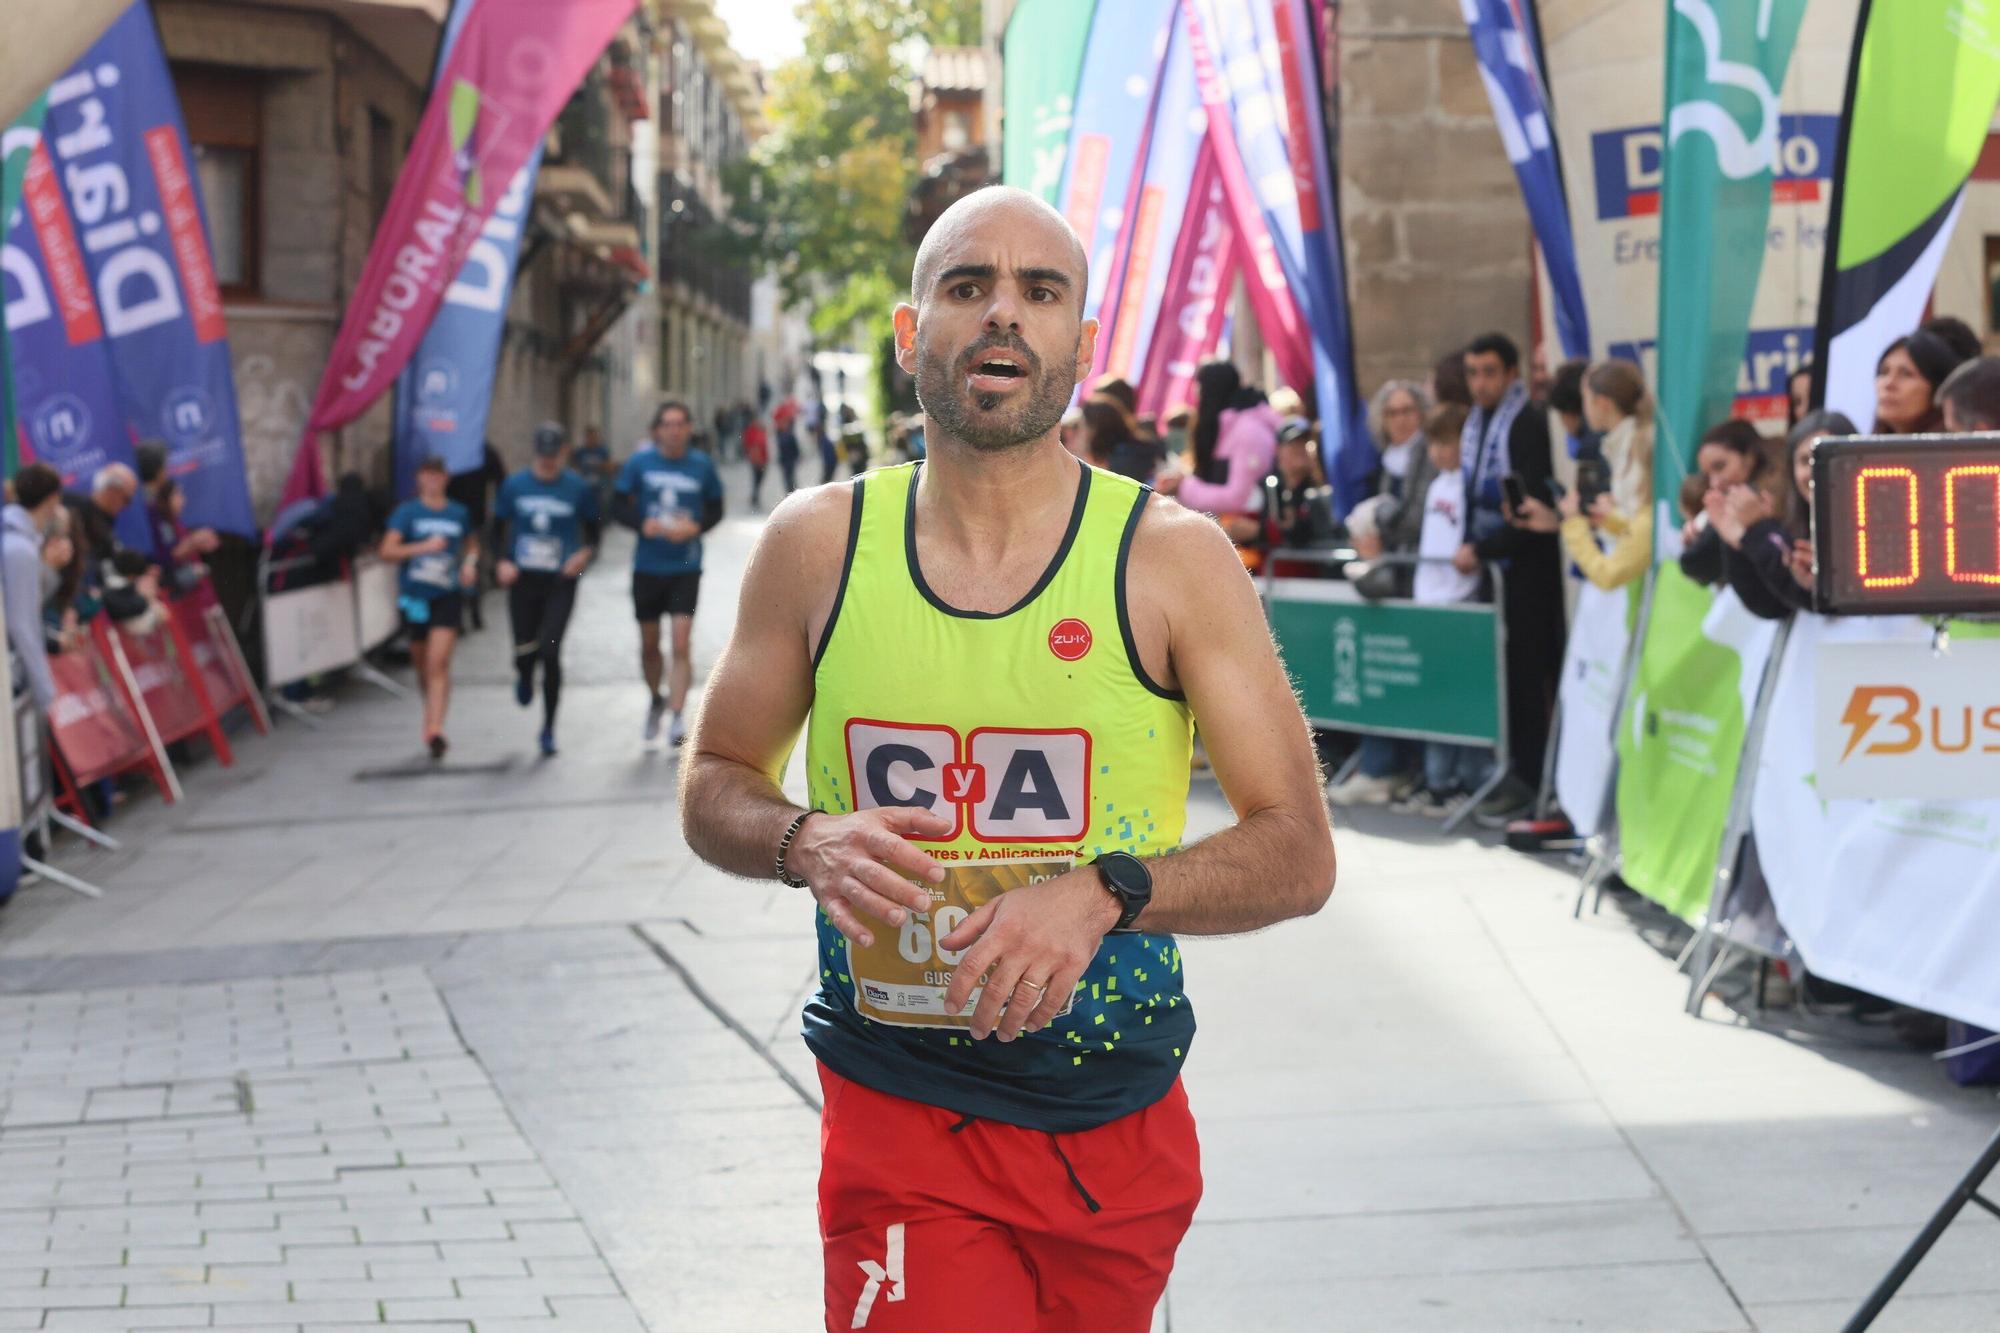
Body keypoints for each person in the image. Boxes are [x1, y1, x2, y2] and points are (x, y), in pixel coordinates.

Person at [678, 185, 1336, 1333]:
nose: (1002, 315)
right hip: (898, 1106)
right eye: (966, 284)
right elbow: (713, 780)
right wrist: (799, 837)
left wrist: (1101, 895)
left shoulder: (1170, 560)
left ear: (1079, 347)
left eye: (1039, 292)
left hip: (1110, 1116)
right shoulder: (817, 544)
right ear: (907, 331)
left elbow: (1296, 852)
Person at [1458, 332, 1563, 823]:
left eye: (1489, 373)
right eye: (1473, 373)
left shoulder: (1526, 421)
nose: (1480, 383)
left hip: (1528, 574)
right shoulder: (1475, 423)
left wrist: (1481, 548)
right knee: (1507, 680)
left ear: (1511, 374)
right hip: (1493, 570)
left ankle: (1535, 779)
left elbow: (1527, 509)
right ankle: (1516, 773)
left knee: (1529, 681)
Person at [1392, 404, 1496, 817]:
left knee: (1457, 697)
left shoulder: (1467, 487)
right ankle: (1438, 779)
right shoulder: (1437, 487)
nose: (1438, 452)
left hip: (1458, 600)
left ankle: (1454, 780)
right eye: (1433, 443)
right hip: (1430, 599)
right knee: (1436, 696)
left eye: (1446, 443)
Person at [615, 399, 724, 747]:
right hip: (647, 566)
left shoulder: (701, 466)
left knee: (680, 642)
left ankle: (677, 717)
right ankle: (655, 698)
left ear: (689, 428)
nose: (675, 430)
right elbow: (616, 505)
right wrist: (640, 524)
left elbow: (716, 508)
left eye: (681, 424)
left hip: (685, 566)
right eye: (668, 424)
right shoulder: (640, 464)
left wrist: (696, 528)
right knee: (650, 646)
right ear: (658, 429)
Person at [493, 423, 600, 755]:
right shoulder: (514, 486)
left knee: (551, 652)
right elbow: (495, 529)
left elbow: (594, 532)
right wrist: (500, 562)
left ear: (563, 452)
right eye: (543, 456)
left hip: (560, 583)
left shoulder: (577, 488)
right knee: (524, 650)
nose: (548, 462)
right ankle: (524, 675)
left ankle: (548, 729)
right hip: (523, 582)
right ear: (535, 452)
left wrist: (583, 555)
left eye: (554, 456)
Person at [1515, 359, 1654, 591]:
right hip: (1633, 578)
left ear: (1602, 403)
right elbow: (1636, 526)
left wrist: (1573, 523)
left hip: (1631, 577)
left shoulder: (1638, 447)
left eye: (1585, 400)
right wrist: (1609, 518)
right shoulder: (1619, 445)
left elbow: (1641, 528)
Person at [381, 456, 479, 759]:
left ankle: (434, 728)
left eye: (438, 475)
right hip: (415, 597)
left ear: (446, 478)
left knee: (439, 662)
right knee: (422, 663)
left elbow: (472, 545)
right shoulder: (407, 513)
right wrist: (422, 547)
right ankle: (432, 714)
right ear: (419, 479)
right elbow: (387, 551)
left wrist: (470, 564)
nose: (433, 481)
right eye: (428, 475)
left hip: (446, 595)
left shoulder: (458, 512)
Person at [1677, 419, 1795, 619]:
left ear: (1748, 457)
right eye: (1708, 476)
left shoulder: (1766, 494)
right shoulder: (1740, 497)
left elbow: (1698, 562)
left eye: (1720, 466)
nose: (1715, 482)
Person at [1155, 360, 1281, 524]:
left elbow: (1238, 498)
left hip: (1251, 543)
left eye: (1199, 392)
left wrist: (1184, 488)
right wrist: (1184, 480)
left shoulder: (1248, 432)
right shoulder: (1225, 426)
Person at [3, 465, 68, 711]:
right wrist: (44, 687)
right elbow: (21, 622)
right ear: (53, 499)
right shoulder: (20, 549)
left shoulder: (20, 542)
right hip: (12, 673)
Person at [446, 441, 507, 630]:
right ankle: (461, 615)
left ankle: (474, 610)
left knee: (473, 566)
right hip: (452, 518)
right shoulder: (451, 446)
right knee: (455, 566)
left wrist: (497, 508)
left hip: (474, 518)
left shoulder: (484, 450)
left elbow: (501, 481)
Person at [1872, 329, 1968, 435]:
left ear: (1938, 388)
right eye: (1884, 372)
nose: (1888, 384)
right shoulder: (1866, 448)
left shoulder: (1955, 448)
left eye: (1906, 374)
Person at [1079, 396, 1162, 484]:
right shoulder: (1136, 446)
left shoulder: (1122, 460)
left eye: (1083, 426)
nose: (1082, 432)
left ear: (1095, 428)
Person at [773, 393, 802, 493]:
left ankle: (792, 491)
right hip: (785, 461)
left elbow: (795, 448)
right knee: (787, 478)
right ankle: (790, 492)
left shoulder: (789, 435)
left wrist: (797, 457)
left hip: (789, 460)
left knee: (790, 477)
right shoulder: (782, 436)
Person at [743, 412, 771, 508]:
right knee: (756, 478)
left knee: (760, 478)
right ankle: (755, 496)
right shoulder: (750, 432)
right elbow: (748, 445)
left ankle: (755, 495)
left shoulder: (760, 430)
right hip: (756, 460)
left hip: (763, 459)